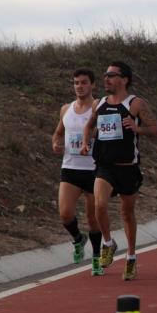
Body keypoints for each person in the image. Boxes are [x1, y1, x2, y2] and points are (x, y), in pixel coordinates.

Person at [80, 61, 157, 280]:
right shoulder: (99, 103)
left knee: (127, 213)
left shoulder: (135, 104)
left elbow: (156, 130)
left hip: (128, 168)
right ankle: (108, 242)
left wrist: (137, 128)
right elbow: (89, 126)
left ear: (124, 79)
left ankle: (131, 257)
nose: (106, 79)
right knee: (99, 205)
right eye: (105, 75)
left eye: (111, 75)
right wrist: (86, 143)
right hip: (105, 166)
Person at [51, 68, 102, 275]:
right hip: (70, 168)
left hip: (93, 170)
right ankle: (78, 239)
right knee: (65, 214)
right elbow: (57, 133)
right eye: (76, 83)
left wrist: (94, 137)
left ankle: (97, 259)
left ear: (92, 85)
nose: (79, 86)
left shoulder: (99, 106)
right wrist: (55, 143)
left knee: (93, 219)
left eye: (83, 82)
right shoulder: (66, 109)